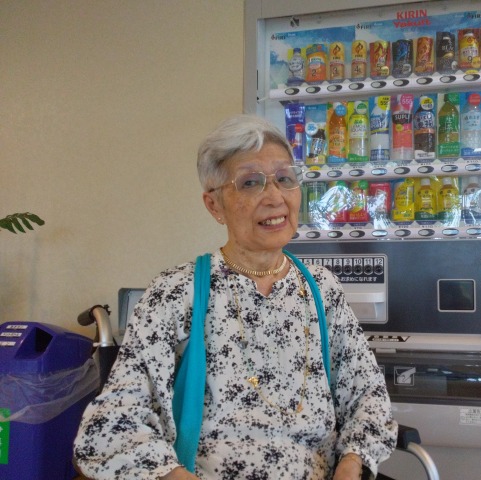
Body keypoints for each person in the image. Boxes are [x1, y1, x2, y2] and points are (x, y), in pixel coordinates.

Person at [73, 114, 397, 479]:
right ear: (214, 205)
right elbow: (112, 425)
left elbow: (367, 397)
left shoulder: (322, 290)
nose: (274, 197)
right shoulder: (176, 293)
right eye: (250, 183)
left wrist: (351, 464)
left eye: (284, 179)